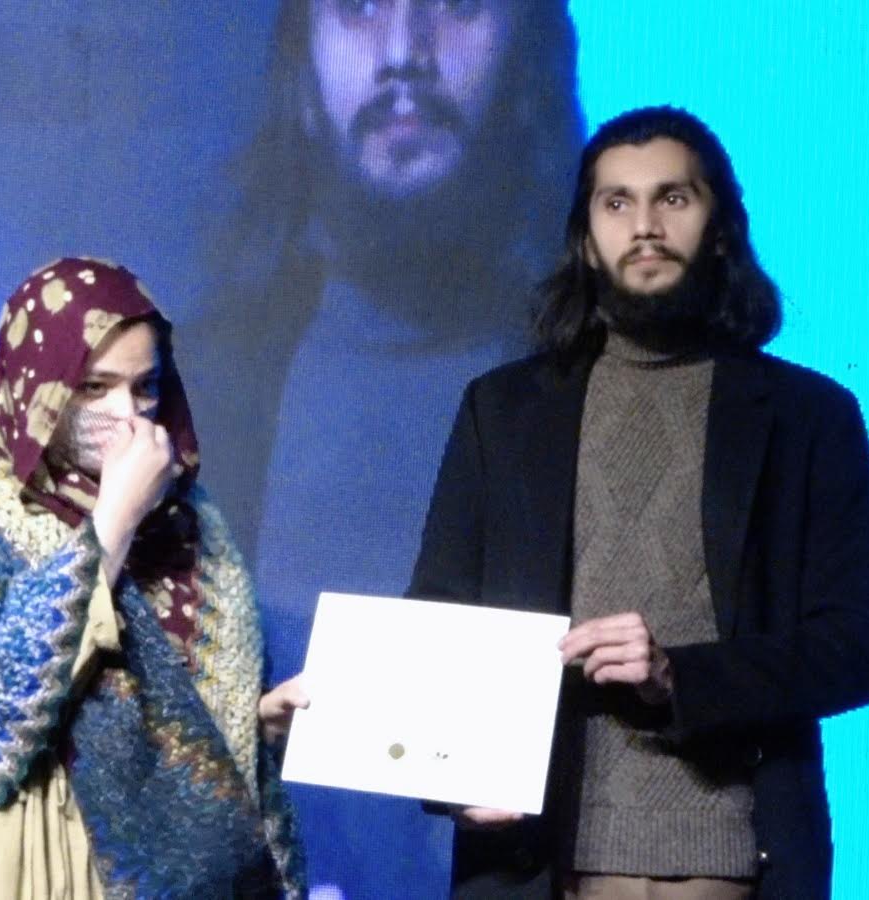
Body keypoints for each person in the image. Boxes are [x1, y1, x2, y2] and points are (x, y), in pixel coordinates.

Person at [409, 106, 869, 899]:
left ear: (721, 228)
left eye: (673, 198)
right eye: (617, 202)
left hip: (732, 862)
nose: (644, 225)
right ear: (584, 238)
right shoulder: (501, 412)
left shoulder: (810, 417)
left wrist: (680, 677)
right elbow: (437, 625)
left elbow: (863, 648)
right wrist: (448, 773)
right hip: (537, 864)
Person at [181, 7, 581, 891]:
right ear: (301, 69)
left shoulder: (587, 387)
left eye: (457, 4)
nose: (404, 54)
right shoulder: (210, 383)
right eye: (360, 7)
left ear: (527, 54)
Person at [0, 258, 309, 899]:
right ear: (40, 383)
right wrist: (114, 518)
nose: (126, 413)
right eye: (94, 387)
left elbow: (178, 725)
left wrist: (257, 726)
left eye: (144, 387)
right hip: (5, 856)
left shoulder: (192, 526)